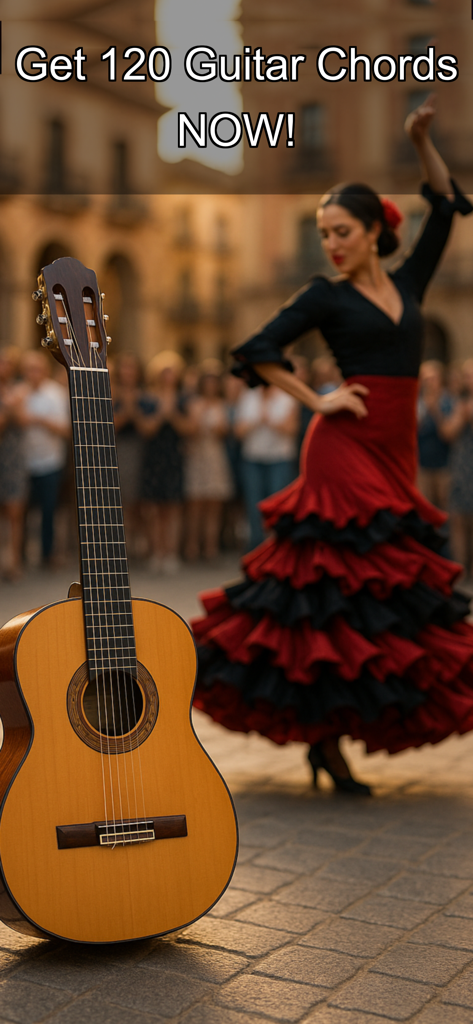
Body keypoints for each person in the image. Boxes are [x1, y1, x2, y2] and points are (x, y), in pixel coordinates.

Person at [192, 95, 473, 796]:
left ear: (377, 229)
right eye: (323, 233)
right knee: (332, 589)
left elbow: (443, 205)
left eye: (341, 229)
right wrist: (316, 399)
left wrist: (418, 142)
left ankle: (336, 734)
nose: (331, 242)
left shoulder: (409, 285)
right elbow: (255, 349)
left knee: (377, 594)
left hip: (394, 451)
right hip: (339, 448)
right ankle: (326, 742)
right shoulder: (323, 295)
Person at [136, 351, 189, 575]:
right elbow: (146, 429)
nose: (168, 376)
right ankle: (156, 553)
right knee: (154, 508)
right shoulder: (146, 398)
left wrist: (173, 412)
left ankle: (171, 554)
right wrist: (161, 412)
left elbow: (189, 429)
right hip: (153, 457)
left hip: (174, 456)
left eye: (172, 372)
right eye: (164, 372)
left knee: (173, 508)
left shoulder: (184, 398)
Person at [19, 350, 70, 567]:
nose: (33, 373)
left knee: (49, 510)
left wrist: (39, 420)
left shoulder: (56, 394)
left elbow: (66, 429)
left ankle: (47, 555)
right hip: (23, 462)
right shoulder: (18, 392)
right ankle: (20, 555)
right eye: (29, 369)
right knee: (20, 511)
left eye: (37, 369)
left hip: (50, 461)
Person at [235, 383, 300, 549]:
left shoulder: (287, 397)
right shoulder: (247, 397)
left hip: (279, 459)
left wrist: (270, 420)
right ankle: (256, 546)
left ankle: (277, 546)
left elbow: (291, 428)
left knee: (277, 502)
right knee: (253, 504)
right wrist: (257, 421)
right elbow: (239, 431)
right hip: (253, 458)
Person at [183, 360, 234, 561]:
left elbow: (224, 432)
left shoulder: (222, 405)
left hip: (215, 456)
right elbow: (191, 431)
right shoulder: (193, 404)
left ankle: (210, 548)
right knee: (195, 505)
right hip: (197, 456)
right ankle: (192, 547)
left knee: (214, 506)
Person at [441, 359, 473, 577]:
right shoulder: (458, 401)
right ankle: (461, 569)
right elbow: (448, 433)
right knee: (458, 516)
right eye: (466, 375)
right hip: (462, 463)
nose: (467, 379)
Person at [112, 352, 145, 558]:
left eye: (132, 368)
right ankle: (119, 546)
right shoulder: (110, 392)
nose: (128, 372)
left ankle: (133, 544)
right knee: (120, 499)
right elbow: (114, 423)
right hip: (118, 448)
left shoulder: (145, 394)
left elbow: (147, 427)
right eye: (124, 367)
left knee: (137, 501)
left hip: (141, 448)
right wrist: (128, 407)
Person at [0, 348, 27, 580]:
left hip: (12, 458)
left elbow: (22, 419)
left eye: (7, 363)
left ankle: (14, 562)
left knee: (15, 511)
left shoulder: (19, 389)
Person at [417, 360, 454, 511]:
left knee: (446, 509)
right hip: (421, 466)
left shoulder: (448, 401)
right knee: (424, 508)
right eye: (425, 379)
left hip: (444, 466)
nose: (429, 383)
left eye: (432, 379)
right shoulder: (417, 402)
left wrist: (435, 410)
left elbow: (448, 434)